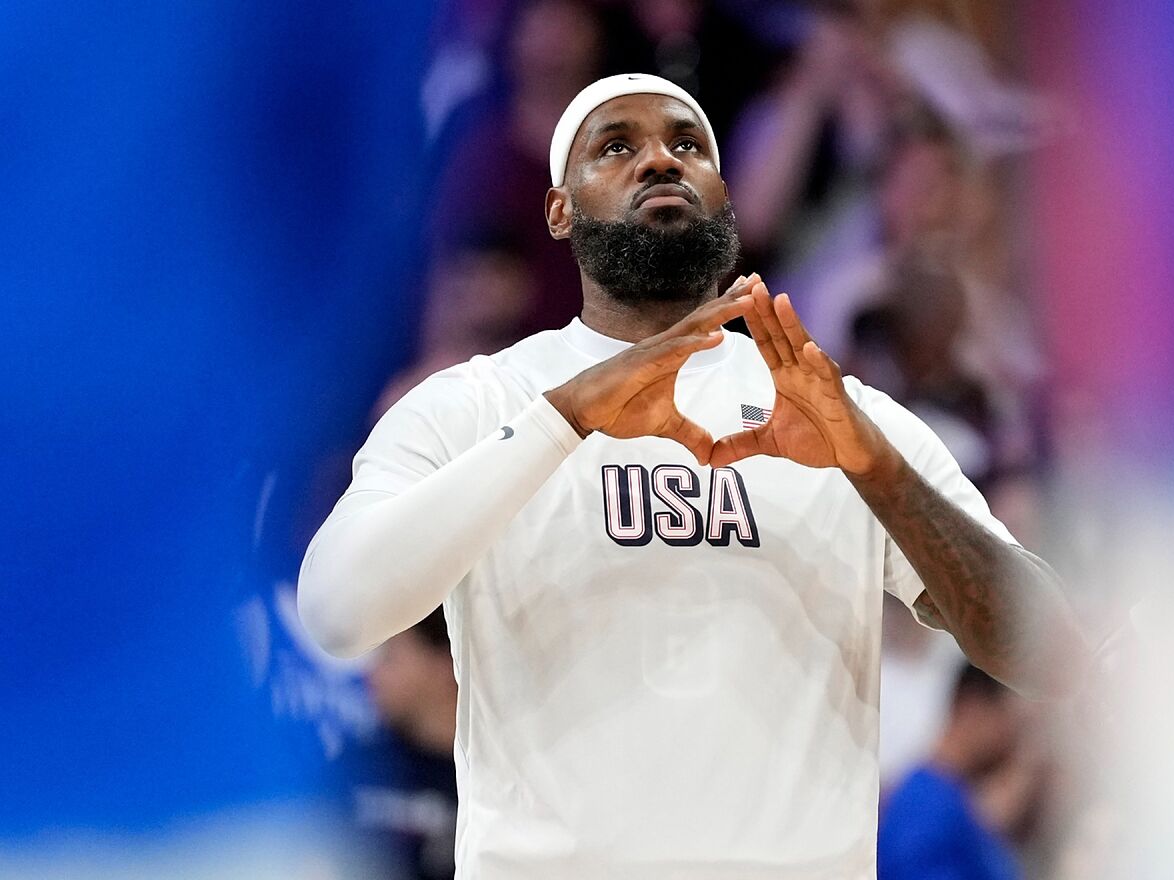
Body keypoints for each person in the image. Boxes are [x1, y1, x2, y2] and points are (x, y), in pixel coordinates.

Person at [298, 73, 1086, 879]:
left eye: (687, 145)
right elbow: (337, 613)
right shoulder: (475, 406)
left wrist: (878, 471)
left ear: (724, 199)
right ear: (559, 210)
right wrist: (559, 419)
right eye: (616, 147)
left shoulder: (842, 415)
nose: (659, 162)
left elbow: (1048, 656)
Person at [878, 664, 1037, 880]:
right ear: (974, 707)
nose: (1013, 744)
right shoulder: (925, 804)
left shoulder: (959, 804)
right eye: (1013, 724)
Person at [347, 610, 461, 880]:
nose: (371, 672)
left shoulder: (497, 772)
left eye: (388, 656)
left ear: (445, 662)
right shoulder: (354, 771)